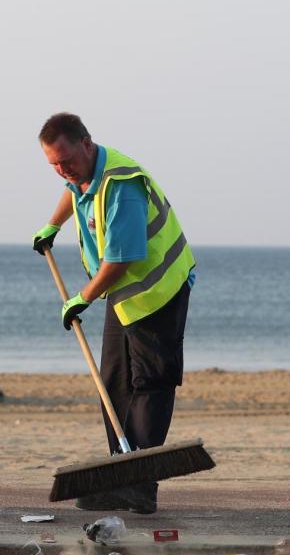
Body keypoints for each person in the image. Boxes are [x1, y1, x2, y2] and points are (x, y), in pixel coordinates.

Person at [32, 113, 195, 514]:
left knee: (150, 385)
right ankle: (119, 476)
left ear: (87, 144)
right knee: (114, 383)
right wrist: (52, 225)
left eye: (66, 160)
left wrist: (81, 298)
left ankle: (141, 486)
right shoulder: (82, 173)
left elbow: (121, 260)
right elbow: (74, 188)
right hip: (123, 295)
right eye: (53, 164)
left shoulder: (122, 186)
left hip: (158, 291)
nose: (62, 171)